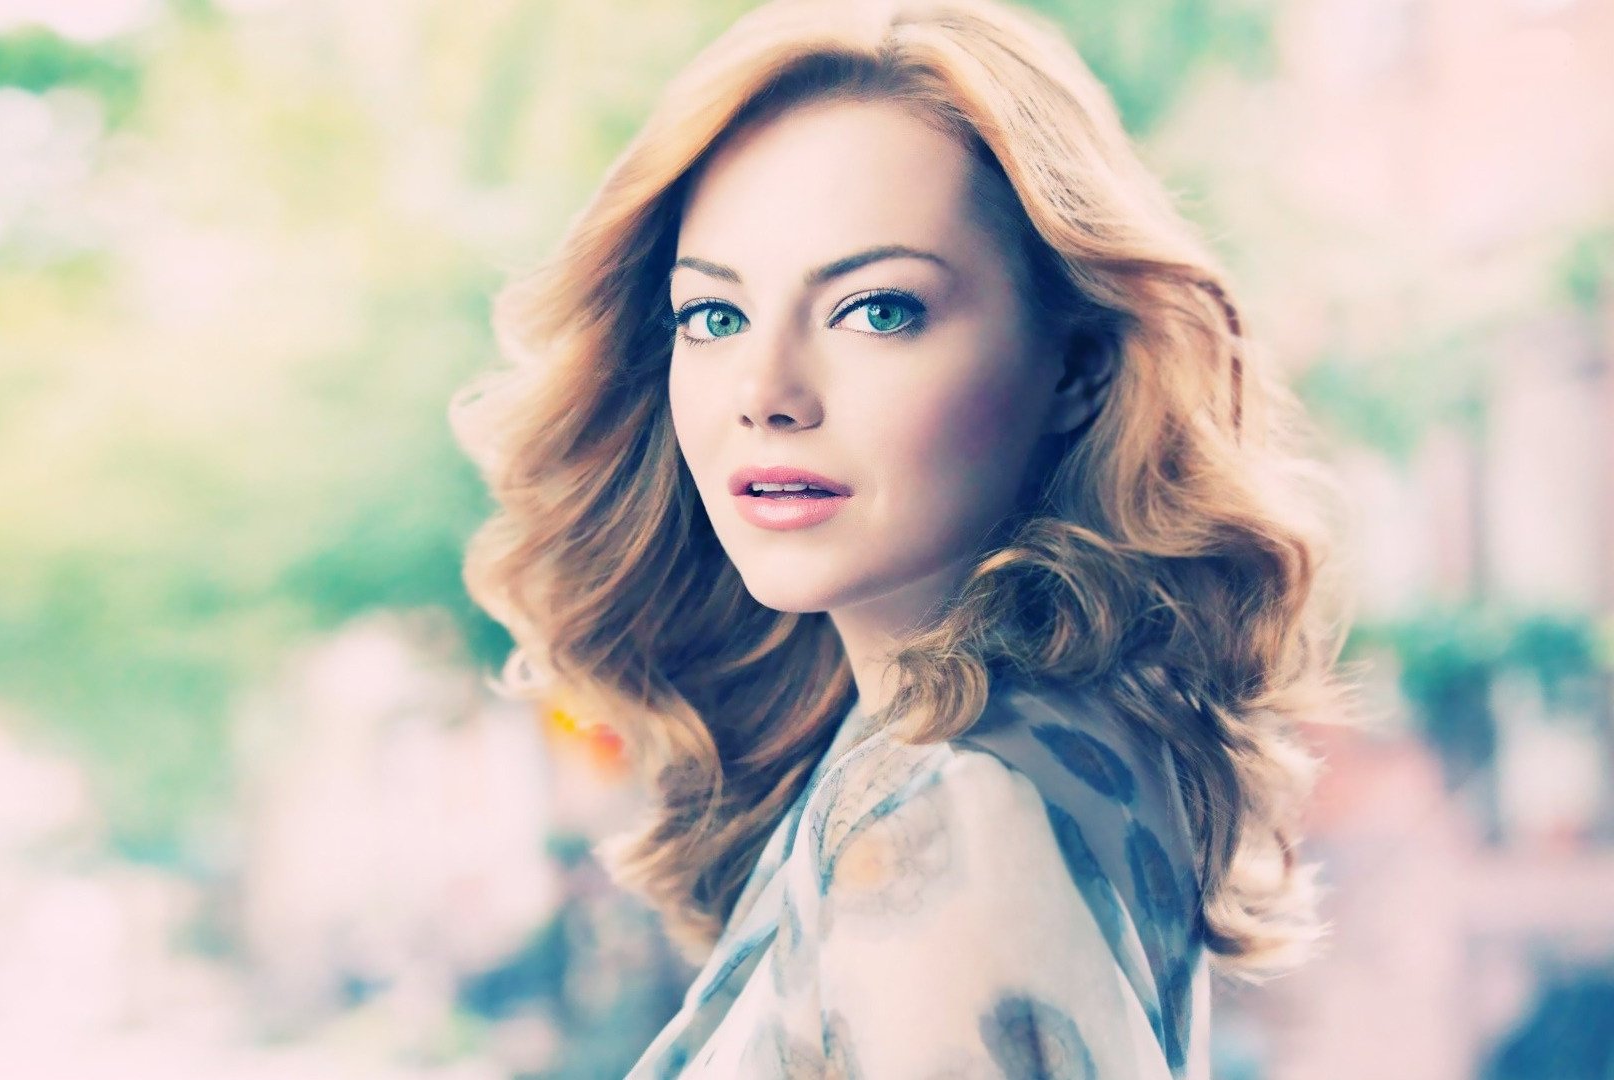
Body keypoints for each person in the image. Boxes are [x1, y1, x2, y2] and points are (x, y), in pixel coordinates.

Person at [449, 0, 1350, 1075]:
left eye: (876, 310)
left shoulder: (954, 807)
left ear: (1077, 368)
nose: (766, 394)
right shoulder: (1037, 743)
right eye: (714, 317)